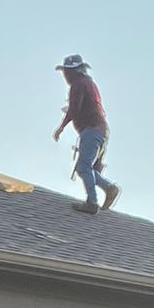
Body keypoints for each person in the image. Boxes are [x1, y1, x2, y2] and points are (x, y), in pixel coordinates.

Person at [53, 55, 119, 214]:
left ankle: (92, 202)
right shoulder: (89, 84)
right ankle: (109, 188)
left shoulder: (79, 84)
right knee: (87, 168)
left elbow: (75, 108)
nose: (65, 77)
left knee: (83, 167)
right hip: (101, 131)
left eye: (67, 73)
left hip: (92, 130)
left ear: (74, 72)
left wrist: (61, 127)